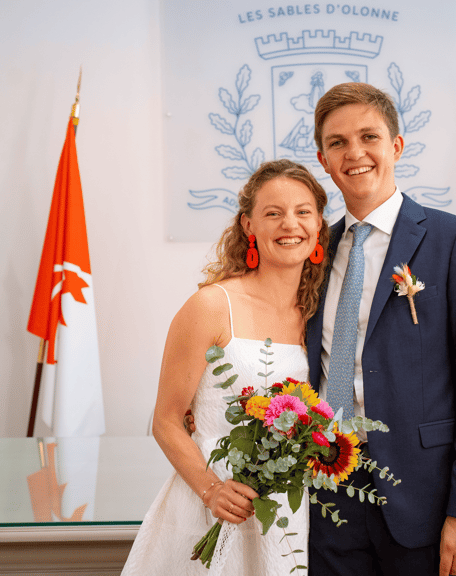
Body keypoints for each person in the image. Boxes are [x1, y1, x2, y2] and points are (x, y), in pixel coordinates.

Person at [305, 83, 456, 576]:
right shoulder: (312, 253)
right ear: (324, 160)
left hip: (425, 500)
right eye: (337, 143)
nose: (355, 153)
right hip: (327, 495)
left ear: (396, 145)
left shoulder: (455, 239)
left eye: (369, 137)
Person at [121, 159, 329, 575]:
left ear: (319, 224)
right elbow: (166, 420)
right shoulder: (212, 306)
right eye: (273, 213)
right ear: (249, 225)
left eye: (303, 211)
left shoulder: (318, 314)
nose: (290, 224)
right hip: (210, 506)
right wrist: (212, 490)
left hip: (284, 513)